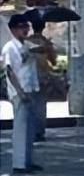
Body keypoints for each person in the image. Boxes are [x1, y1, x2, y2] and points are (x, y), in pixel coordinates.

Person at [3, 13, 42, 174]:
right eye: (21, 27)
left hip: (31, 88)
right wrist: (20, 92)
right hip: (20, 91)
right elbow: (10, 71)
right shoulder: (9, 47)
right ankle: (19, 163)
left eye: (26, 26)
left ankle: (28, 160)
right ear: (13, 29)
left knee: (30, 128)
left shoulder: (27, 45)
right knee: (20, 128)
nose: (24, 30)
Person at [24, 11, 58, 142]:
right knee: (41, 105)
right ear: (43, 27)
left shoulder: (26, 42)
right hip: (43, 76)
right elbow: (54, 61)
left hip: (29, 77)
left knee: (30, 105)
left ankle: (30, 130)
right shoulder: (47, 43)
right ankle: (40, 131)